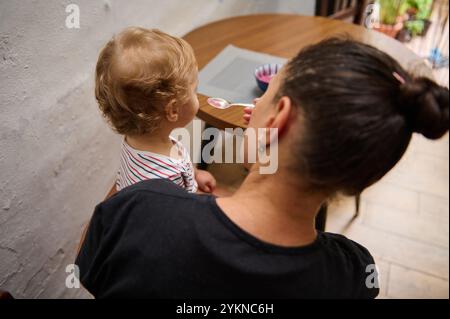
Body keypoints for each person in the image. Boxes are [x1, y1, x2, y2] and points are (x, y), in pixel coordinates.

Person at [76, 38, 449, 298]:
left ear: (277, 121)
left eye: (264, 99)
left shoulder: (134, 212)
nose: (250, 111)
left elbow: (90, 264)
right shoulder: (354, 275)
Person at [95, 27, 216, 193]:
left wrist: (194, 174)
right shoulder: (166, 180)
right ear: (173, 110)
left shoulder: (137, 138)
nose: (198, 95)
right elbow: (182, 214)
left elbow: (179, 160)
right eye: (194, 91)